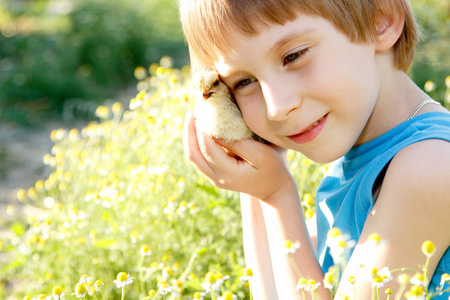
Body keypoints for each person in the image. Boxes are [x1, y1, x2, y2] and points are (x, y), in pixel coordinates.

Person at [179, 0, 450, 299]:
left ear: (380, 21)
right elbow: (272, 294)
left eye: (293, 56)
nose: (277, 108)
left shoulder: (429, 167)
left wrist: (277, 195)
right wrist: (254, 175)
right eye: (244, 82)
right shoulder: (358, 163)